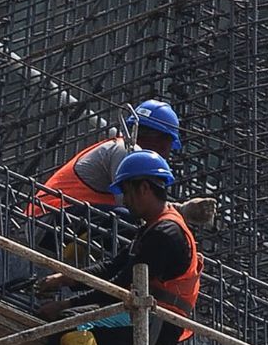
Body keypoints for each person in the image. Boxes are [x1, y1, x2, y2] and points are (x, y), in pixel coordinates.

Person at [38, 147, 203, 345]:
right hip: (137, 316)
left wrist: (64, 306)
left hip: (151, 324)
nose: (124, 201)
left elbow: (118, 286)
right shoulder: (152, 230)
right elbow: (114, 267)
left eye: (127, 192)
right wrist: (66, 278)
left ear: (143, 187)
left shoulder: (165, 234)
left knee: (72, 326)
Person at [26, 99, 182, 258]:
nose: (165, 154)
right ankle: (77, 263)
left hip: (61, 223)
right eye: (167, 146)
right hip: (47, 222)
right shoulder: (125, 149)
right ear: (159, 140)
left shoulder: (121, 149)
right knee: (129, 221)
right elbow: (138, 210)